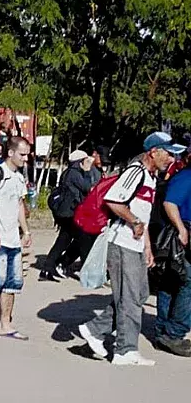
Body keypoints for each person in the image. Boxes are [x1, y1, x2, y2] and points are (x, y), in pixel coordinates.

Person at [78, 132, 185, 366]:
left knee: (138, 294)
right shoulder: (135, 171)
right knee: (130, 298)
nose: (172, 159)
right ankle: (125, 350)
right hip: (122, 242)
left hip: (135, 244)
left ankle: (95, 330)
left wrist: (147, 245)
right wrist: (134, 222)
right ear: (153, 152)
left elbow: (142, 214)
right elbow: (113, 200)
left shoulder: (150, 176)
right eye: (168, 154)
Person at [0, 137, 33, 340]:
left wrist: (26, 231)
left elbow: (20, 205)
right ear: (11, 153)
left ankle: (5, 323)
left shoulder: (19, 177)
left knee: (12, 283)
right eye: (22, 154)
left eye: (27, 154)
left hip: (14, 238)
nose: (26, 158)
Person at [40, 150, 95, 282]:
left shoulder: (69, 172)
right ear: (80, 162)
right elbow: (88, 188)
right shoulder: (74, 173)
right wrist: (87, 171)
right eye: (85, 161)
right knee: (83, 240)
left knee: (63, 240)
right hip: (70, 213)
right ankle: (81, 269)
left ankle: (48, 268)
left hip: (67, 213)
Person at [154, 164, 191, 357]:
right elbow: (170, 203)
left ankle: (163, 332)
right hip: (183, 236)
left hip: (181, 235)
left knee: (172, 282)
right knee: (186, 284)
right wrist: (181, 229)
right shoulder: (186, 177)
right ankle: (174, 333)